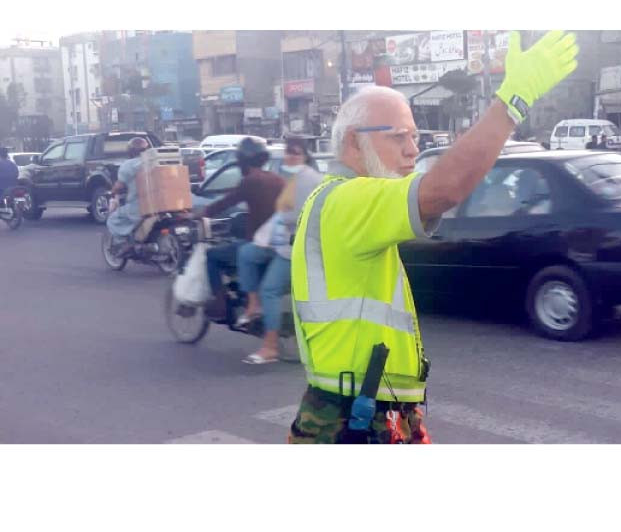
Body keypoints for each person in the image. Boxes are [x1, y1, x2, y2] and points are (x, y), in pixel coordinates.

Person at [288, 30, 578, 444]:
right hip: (353, 419)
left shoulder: (350, 207)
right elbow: (443, 188)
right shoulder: (345, 200)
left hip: (372, 410)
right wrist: (514, 98)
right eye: (396, 137)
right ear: (353, 142)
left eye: (414, 137)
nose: (411, 150)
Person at [237, 138, 324, 364]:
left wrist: (279, 223)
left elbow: (297, 215)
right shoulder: (291, 178)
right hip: (280, 241)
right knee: (246, 254)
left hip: (295, 247)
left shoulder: (308, 180)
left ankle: (270, 346)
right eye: (288, 153)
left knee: (271, 289)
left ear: (305, 156)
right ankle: (252, 305)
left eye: (295, 153)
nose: (290, 157)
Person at [201, 138, 285, 319]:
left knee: (212, 256)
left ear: (242, 161)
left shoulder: (251, 181)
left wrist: (201, 213)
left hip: (257, 244)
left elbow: (227, 202)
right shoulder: (278, 180)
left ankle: (220, 302)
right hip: (279, 244)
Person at [106, 137, 149, 253]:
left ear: (130, 152)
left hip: (139, 205)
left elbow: (119, 186)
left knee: (113, 219)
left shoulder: (129, 165)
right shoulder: (154, 161)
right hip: (162, 203)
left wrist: (112, 192)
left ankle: (123, 244)